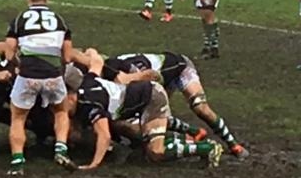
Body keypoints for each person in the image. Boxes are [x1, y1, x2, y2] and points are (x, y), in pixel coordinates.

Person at [64, 49, 224, 170]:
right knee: (144, 142)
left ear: (71, 94)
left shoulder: (91, 102)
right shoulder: (88, 81)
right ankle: (188, 139)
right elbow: (96, 61)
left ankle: (208, 148)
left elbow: (104, 136)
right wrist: (87, 53)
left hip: (152, 98)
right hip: (141, 100)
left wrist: (93, 165)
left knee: (156, 152)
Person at [104, 52, 249, 159]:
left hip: (180, 68)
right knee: (152, 116)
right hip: (158, 80)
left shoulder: (133, 71)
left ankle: (233, 144)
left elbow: (153, 76)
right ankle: (194, 133)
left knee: (200, 107)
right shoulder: (114, 70)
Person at [3, 0, 77, 175]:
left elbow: (9, 50)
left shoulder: (19, 19)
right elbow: (67, 56)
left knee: (18, 117)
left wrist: (18, 64)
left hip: (28, 73)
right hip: (53, 74)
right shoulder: (60, 20)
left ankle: (18, 161)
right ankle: (61, 149)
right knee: (61, 111)